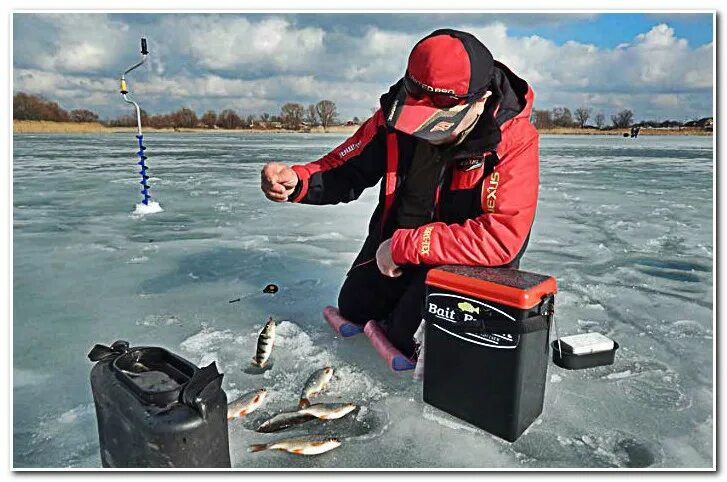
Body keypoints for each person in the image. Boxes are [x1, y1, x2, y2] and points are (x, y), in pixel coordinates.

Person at [260, 29, 539, 359]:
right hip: (396, 245)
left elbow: (500, 237)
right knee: (353, 305)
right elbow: (348, 164)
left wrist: (404, 246)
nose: (423, 130)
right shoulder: (394, 114)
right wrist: (298, 180)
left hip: (459, 260)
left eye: (438, 123)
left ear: (478, 102)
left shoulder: (513, 140)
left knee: (407, 335)